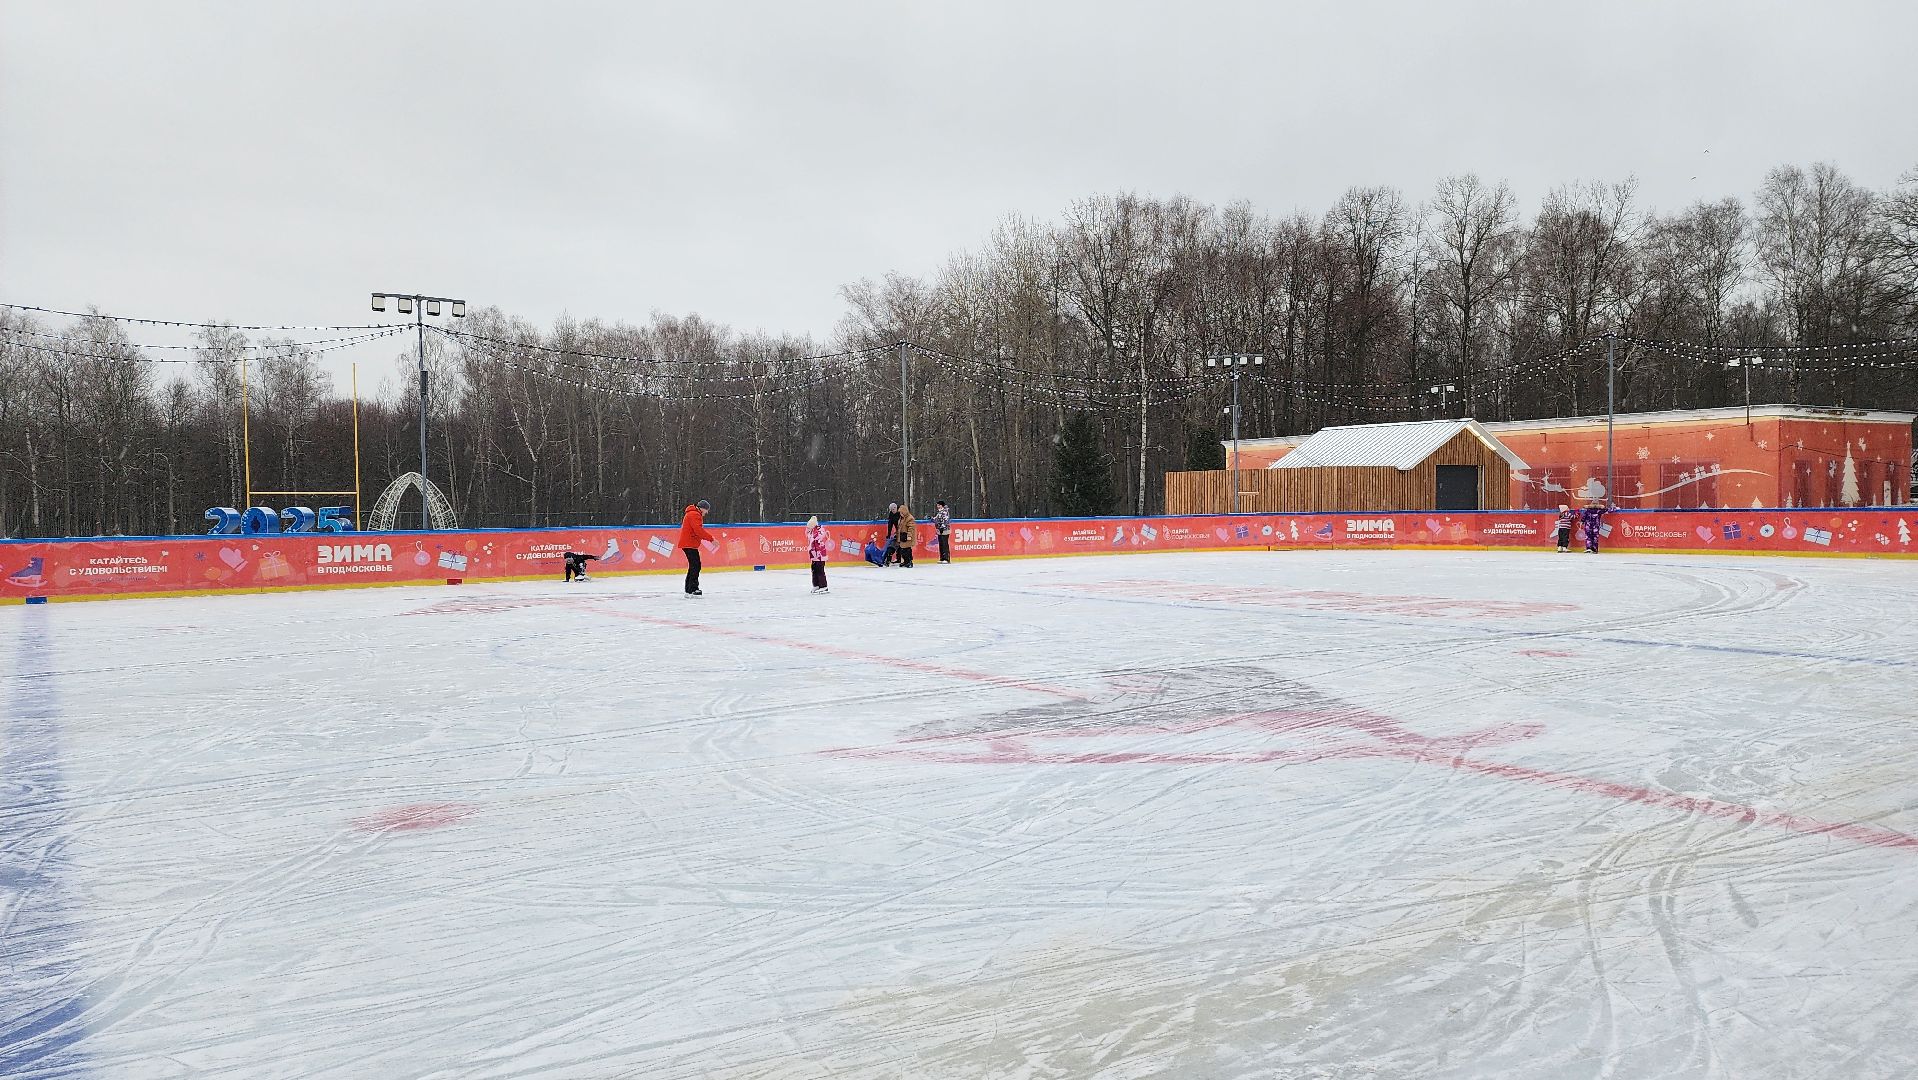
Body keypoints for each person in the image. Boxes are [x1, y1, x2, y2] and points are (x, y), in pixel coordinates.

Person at [679, 499, 712, 595]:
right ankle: (693, 588)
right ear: (702, 508)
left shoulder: (692, 513)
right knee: (696, 565)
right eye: (706, 510)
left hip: (689, 543)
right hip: (689, 544)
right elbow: (698, 530)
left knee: (694, 565)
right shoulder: (695, 514)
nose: (707, 512)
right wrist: (711, 539)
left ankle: (689, 588)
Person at [806, 515, 830, 593]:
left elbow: (819, 536)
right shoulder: (810, 532)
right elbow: (808, 536)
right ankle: (816, 585)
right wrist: (809, 529)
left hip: (820, 554)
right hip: (813, 554)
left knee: (820, 570)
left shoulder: (820, 529)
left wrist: (814, 531)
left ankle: (824, 586)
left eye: (810, 526)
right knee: (814, 570)